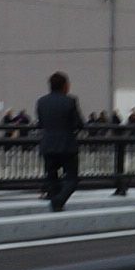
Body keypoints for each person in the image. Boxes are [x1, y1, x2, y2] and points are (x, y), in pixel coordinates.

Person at [32, 73, 85, 210]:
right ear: (65, 86)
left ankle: (56, 202)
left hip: (47, 144)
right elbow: (79, 123)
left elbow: (41, 123)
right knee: (72, 178)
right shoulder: (70, 101)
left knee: (51, 177)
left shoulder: (41, 101)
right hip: (67, 144)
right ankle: (59, 201)